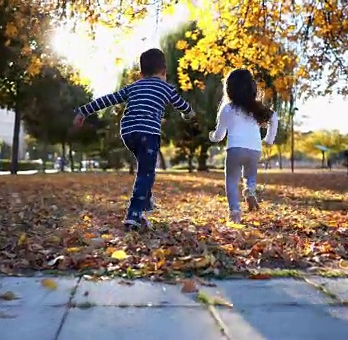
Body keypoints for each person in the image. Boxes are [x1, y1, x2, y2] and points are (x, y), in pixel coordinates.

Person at [73, 48, 195, 229]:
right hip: (148, 133)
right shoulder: (166, 87)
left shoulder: (133, 86)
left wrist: (84, 111)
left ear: (140, 74)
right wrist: (190, 114)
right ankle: (134, 214)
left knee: (145, 169)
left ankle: (144, 204)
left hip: (128, 133)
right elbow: (182, 106)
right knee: (146, 173)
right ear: (164, 72)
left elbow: (109, 99)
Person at [209, 69, 279, 224]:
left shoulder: (227, 109)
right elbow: (274, 117)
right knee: (250, 175)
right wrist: (269, 138)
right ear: (252, 88)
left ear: (229, 89)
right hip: (254, 149)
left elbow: (220, 134)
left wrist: (213, 137)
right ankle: (250, 190)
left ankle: (234, 212)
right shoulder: (257, 109)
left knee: (232, 181)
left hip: (235, 149)